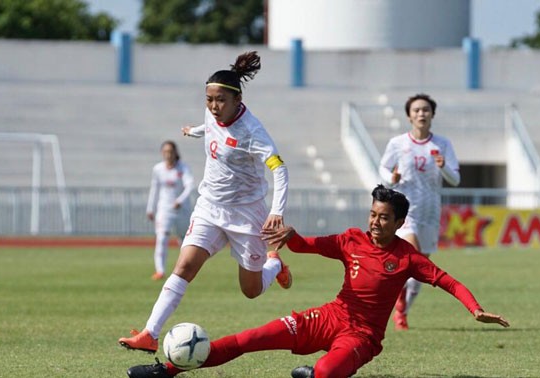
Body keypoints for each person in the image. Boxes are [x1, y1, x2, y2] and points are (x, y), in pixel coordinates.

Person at [125, 184, 509, 378]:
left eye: (384, 218)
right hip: (328, 316)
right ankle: (168, 370)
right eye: (373, 214)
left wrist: (475, 309)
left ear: (399, 223)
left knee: (324, 372)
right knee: (248, 339)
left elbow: (449, 282)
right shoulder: (350, 240)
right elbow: (306, 244)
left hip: (361, 338)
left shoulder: (408, 258)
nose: (375, 222)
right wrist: (289, 236)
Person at [119, 51, 292, 354]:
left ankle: (274, 263)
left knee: (250, 291)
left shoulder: (253, 131)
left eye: (220, 100)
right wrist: (194, 131)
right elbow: (212, 130)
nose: (213, 106)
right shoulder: (212, 115)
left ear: (237, 100)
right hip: (209, 207)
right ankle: (150, 333)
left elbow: (279, 168)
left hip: (246, 214)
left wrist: (276, 211)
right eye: (209, 99)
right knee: (185, 265)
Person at [378, 93, 461, 330]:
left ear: (432, 114)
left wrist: (444, 167)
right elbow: (383, 167)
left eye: (425, 110)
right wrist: (390, 178)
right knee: (411, 256)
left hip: (430, 212)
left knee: (421, 268)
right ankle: (395, 307)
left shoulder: (442, 144)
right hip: (405, 211)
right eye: (416, 110)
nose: (421, 114)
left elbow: (455, 179)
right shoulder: (398, 143)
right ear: (409, 116)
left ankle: (402, 310)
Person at [146, 141, 194, 281]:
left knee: (184, 240)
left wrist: (180, 200)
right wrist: (150, 208)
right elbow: (154, 189)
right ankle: (160, 271)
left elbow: (190, 185)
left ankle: (186, 268)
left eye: (170, 151)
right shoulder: (158, 169)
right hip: (164, 210)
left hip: (182, 210)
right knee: (162, 238)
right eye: (165, 151)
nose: (168, 154)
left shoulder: (183, 168)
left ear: (175, 153)